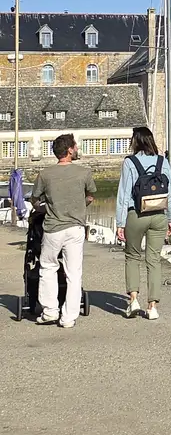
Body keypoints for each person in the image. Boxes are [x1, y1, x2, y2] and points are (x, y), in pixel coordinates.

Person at [30, 133, 96, 328]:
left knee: (48, 267)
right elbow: (90, 196)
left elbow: (35, 199)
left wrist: (44, 209)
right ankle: (68, 317)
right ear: (69, 150)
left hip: (53, 227)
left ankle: (50, 310)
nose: (77, 149)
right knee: (73, 273)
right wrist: (80, 205)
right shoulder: (84, 173)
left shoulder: (45, 174)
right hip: (75, 227)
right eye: (75, 146)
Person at [115, 126, 171, 320]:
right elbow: (170, 193)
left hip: (136, 215)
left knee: (132, 257)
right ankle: (152, 307)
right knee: (154, 260)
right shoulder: (162, 161)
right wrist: (170, 218)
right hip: (159, 215)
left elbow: (124, 194)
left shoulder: (130, 162)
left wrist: (120, 223)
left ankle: (133, 300)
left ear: (136, 141)